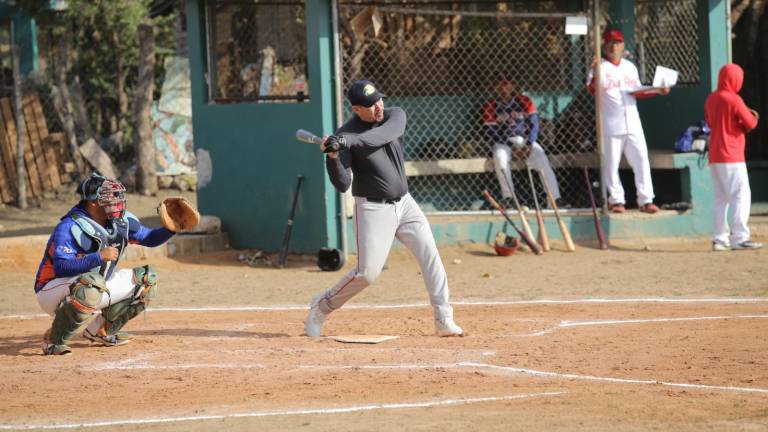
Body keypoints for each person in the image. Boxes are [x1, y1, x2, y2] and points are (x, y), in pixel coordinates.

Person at [304, 79, 463, 338]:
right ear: (357, 109)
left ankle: (443, 318)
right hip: (373, 209)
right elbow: (342, 184)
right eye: (370, 104)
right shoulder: (346, 134)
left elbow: (375, 139)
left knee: (430, 256)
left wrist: (344, 141)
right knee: (366, 274)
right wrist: (332, 156)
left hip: (405, 203)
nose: (378, 105)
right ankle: (321, 307)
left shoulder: (394, 116)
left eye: (378, 99)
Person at [34, 173, 176, 355]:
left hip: (93, 285)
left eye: (117, 196)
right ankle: (54, 340)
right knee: (91, 285)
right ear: (93, 202)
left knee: (146, 280)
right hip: (52, 290)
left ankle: (101, 331)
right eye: (110, 197)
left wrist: (171, 229)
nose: (117, 200)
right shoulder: (70, 226)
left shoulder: (120, 222)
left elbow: (148, 238)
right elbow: (61, 267)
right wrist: (98, 257)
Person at [588, 29, 669, 214]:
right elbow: (592, 90)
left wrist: (657, 90)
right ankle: (616, 201)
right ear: (604, 45)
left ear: (623, 45)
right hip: (610, 124)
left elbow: (637, 91)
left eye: (618, 43)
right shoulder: (598, 66)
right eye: (611, 43)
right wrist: (594, 71)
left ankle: (646, 200)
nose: (614, 46)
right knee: (611, 164)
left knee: (641, 161)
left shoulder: (629, 67)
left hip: (633, 122)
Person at [704, 64, 762, 251]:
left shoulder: (711, 98)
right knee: (741, 195)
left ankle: (719, 240)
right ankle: (740, 237)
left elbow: (710, 122)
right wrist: (753, 115)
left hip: (715, 153)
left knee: (721, 198)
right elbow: (751, 122)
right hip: (732, 154)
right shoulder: (734, 99)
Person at [482, 78, 561, 206]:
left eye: (506, 84)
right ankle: (509, 198)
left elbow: (534, 125)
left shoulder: (524, 101)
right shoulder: (490, 105)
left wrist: (529, 144)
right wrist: (510, 146)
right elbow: (491, 132)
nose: (502, 88)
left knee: (541, 157)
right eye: (499, 85)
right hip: (503, 142)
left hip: (524, 140)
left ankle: (554, 199)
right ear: (495, 88)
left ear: (512, 86)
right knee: (500, 158)